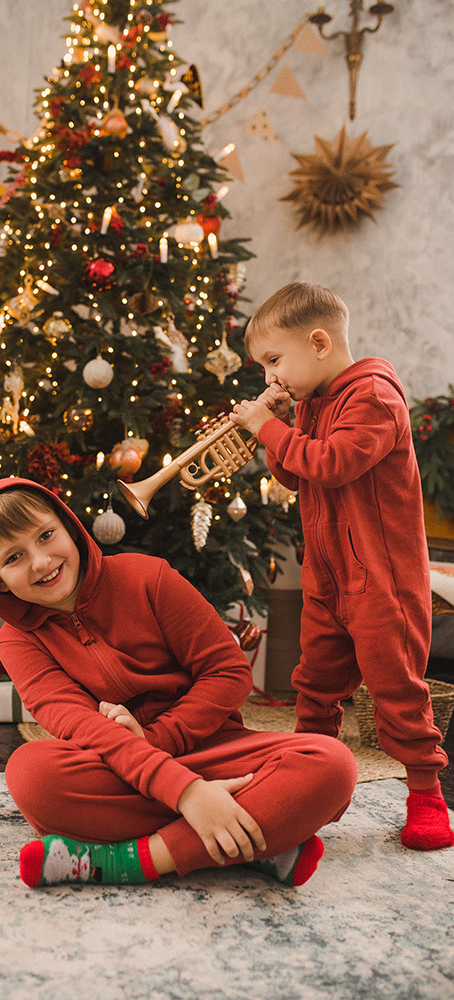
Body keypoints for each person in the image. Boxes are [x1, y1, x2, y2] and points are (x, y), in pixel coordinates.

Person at [0, 476, 358, 889]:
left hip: (214, 749)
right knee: (32, 775)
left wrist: (157, 742)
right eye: (14, 558)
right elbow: (81, 727)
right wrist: (189, 794)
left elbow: (229, 671)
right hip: (117, 765)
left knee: (332, 765)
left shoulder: (149, 577)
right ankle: (252, 837)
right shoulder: (16, 641)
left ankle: (131, 860)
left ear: (69, 526)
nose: (41, 562)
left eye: (46, 536)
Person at [231, 280, 453, 852]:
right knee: (314, 685)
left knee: (396, 690)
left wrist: (268, 427)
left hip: (382, 580)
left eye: (274, 361)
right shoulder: (310, 403)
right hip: (327, 576)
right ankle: (310, 785)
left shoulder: (374, 395)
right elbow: (297, 474)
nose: (269, 379)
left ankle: (427, 794)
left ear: (321, 342)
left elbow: (331, 464)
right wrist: (273, 433)